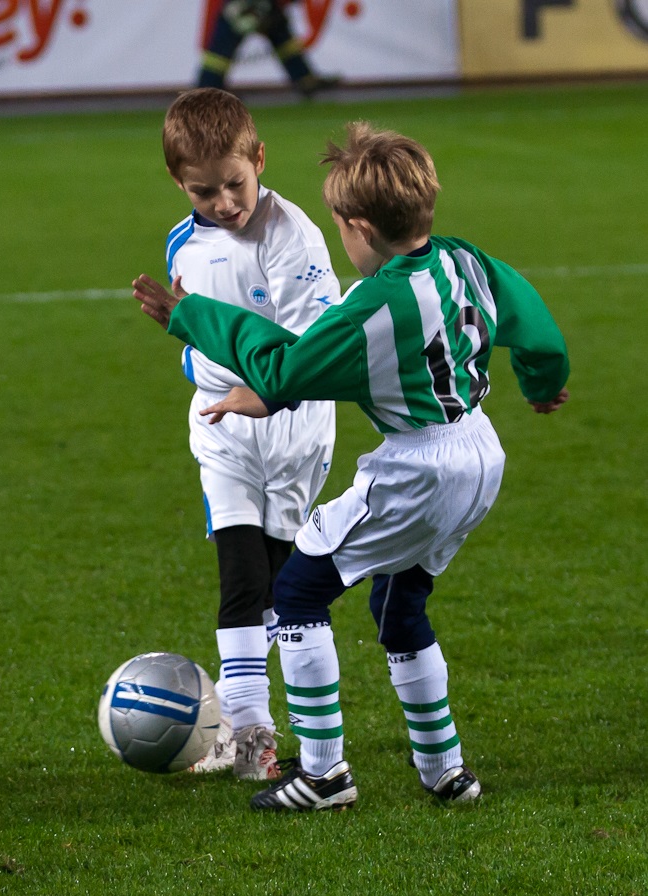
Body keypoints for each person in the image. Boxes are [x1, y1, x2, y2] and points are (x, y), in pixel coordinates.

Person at [133, 121, 570, 811]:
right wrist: (545, 383)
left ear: (358, 226)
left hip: (418, 467)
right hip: (481, 453)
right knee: (400, 607)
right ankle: (445, 769)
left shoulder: (372, 306)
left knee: (301, 592)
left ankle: (324, 772)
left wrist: (194, 317)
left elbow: (285, 366)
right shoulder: (466, 260)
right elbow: (535, 323)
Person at [157, 88, 339, 780]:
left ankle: (254, 716)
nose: (225, 203)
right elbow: (199, 322)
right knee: (240, 577)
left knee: (275, 583)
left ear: (259, 160)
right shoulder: (183, 241)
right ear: (180, 183)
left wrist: (260, 391)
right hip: (220, 428)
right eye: (205, 192)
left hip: (290, 428)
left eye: (235, 184)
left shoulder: (292, 238)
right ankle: (251, 731)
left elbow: (312, 346)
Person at [198, 0, 339, 98]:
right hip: (242, 6)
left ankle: (305, 80)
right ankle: (205, 90)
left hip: (261, 6)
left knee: (282, 36)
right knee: (221, 51)